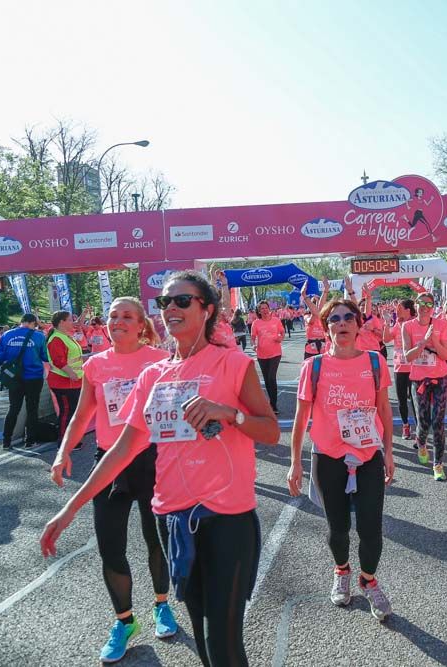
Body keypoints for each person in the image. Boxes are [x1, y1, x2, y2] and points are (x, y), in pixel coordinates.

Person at [41, 270, 280, 667]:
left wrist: (230, 414)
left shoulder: (233, 363)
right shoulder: (153, 375)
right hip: (174, 519)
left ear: (206, 310)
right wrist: (70, 509)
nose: (171, 308)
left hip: (226, 519)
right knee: (205, 640)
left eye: (182, 300)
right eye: (165, 302)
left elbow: (270, 431)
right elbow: (120, 451)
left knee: (223, 643)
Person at [50, 297, 177, 663]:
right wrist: (63, 452)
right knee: (110, 546)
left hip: (152, 461)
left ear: (141, 325)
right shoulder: (95, 365)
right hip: (109, 462)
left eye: (127, 316)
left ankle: (161, 605)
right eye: (113, 315)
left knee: (157, 539)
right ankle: (124, 621)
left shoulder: (159, 360)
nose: (117, 321)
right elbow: (80, 416)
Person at [287, 298, 396, 622]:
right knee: (338, 529)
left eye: (349, 317)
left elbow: (385, 410)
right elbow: (299, 417)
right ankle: (342, 570)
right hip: (329, 456)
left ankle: (368, 579)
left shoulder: (375, 362)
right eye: (334, 319)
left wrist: (388, 451)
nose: (342, 322)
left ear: (358, 325)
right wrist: (295, 462)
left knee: (371, 529)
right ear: (326, 328)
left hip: (367, 455)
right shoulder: (314, 367)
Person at [402, 292, 447, 481]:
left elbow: (446, 354)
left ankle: (438, 464)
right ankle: (421, 443)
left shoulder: (441, 325)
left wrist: (435, 341)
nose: (424, 306)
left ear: (433, 306)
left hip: (441, 378)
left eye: (429, 304)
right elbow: (408, 356)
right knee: (423, 422)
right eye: (421, 303)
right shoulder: (407, 326)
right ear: (416, 305)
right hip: (419, 380)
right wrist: (423, 342)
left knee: (438, 422)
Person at [0, 313, 49, 450]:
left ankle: (6, 441)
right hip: (33, 377)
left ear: (21, 321)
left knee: (14, 408)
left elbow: (0, 355)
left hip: (14, 378)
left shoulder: (7, 335)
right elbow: (45, 356)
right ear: (32, 323)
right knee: (32, 408)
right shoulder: (38, 336)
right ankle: (30, 440)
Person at [46, 311, 85, 451]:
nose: (72, 322)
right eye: (70, 320)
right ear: (62, 322)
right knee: (67, 412)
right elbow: (58, 360)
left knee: (72, 412)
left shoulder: (65, 336)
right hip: (63, 382)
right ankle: (63, 443)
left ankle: (72, 440)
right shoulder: (57, 338)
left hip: (73, 381)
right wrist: (72, 374)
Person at [387, 299, 417, 440]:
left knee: (415, 399)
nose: (397, 310)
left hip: (414, 366)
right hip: (399, 366)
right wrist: (387, 323)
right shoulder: (397, 323)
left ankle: (419, 428)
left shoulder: (416, 323)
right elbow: (386, 339)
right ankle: (406, 425)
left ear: (407, 309)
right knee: (401, 400)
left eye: (399, 308)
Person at [251, 300, 285, 415]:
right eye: (262, 309)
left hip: (275, 353)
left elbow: (282, 332)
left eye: (266, 308)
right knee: (266, 380)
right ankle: (271, 403)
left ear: (269, 309)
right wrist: (254, 345)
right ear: (259, 311)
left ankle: (274, 405)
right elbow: (253, 337)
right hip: (262, 355)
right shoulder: (256, 323)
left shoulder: (276, 320)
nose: (264, 310)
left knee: (271, 377)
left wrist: (280, 337)